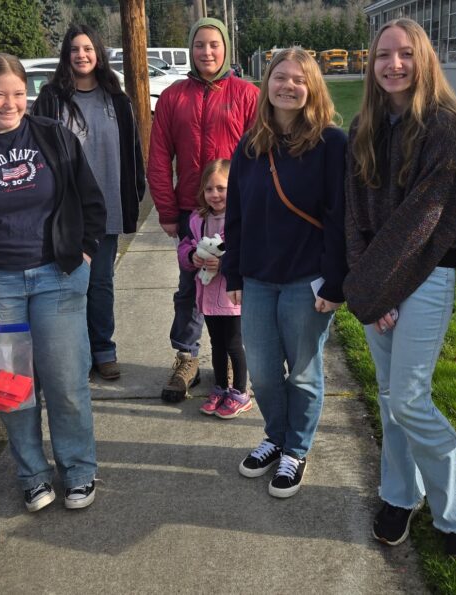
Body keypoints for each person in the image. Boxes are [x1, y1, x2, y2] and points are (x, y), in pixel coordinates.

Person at [343, 18, 456, 558]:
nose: (394, 64)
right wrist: (369, 283)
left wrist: (376, 288)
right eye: (384, 54)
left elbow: (425, 221)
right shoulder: (365, 125)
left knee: (408, 399)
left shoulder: (447, 126)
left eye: (405, 53)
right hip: (378, 282)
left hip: (426, 275)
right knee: (389, 398)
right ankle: (400, 494)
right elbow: (353, 216)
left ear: (423, 58)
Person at [0, 53, 106, 514]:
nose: (10, 103)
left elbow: (91, 200)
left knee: (65, 383)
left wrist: (83, 252)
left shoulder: (53, 137)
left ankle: (78, 471)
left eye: (18, 93)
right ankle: (32, 475)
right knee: (10, 389)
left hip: (57, 277)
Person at [223, 48, 347, 498]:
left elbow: (339, 217)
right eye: (280, 77)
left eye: (299, 78)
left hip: (306, 280)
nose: (289, 85)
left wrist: (335, 282)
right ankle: (275, 436)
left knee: (303, 373)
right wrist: (233, 274)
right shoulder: (251, 144)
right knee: (264, 371)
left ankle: (296, 449)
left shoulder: (332, 144)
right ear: (266, 84)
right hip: (257, 277)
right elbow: (235, 214)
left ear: (312, 87)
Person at [148, 17, 259, 402]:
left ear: (225, 48)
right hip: (189, 211)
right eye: (199, 45)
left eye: (214, 44)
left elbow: (259, 155)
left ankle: (237, 362)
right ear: (191, 51)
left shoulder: (246, 94)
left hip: (237, 212)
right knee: (189, 286)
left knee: (236, 287)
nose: (207, 52)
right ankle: (188, 357)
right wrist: (165, 208)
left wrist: (256, 208)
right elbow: (160, 156)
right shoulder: (174, 96)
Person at [32, 24, 146, 381]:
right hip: (64, 211)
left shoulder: (118, 99)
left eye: (87, 49)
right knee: (67, 285)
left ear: (98, 53)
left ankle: (103, 350)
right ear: (66, 56)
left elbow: (132, 151)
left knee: (100, 282)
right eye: (74, 50)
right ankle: (74, 355)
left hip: (107, 205)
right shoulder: (51, 98)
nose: (81, 55)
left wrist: (135, 191)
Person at [177, 159, 251, 418]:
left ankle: (240, 392)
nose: (215, 194)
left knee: (233, 343)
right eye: (209, 189)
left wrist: (224, 263)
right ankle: (220, 388)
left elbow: (247, 253)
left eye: (221, 188)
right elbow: (186, 244)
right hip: (207, 294)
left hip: (231, 295)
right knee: (216, 343)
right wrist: (191, 257)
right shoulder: (198, 218)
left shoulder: (239, 218)